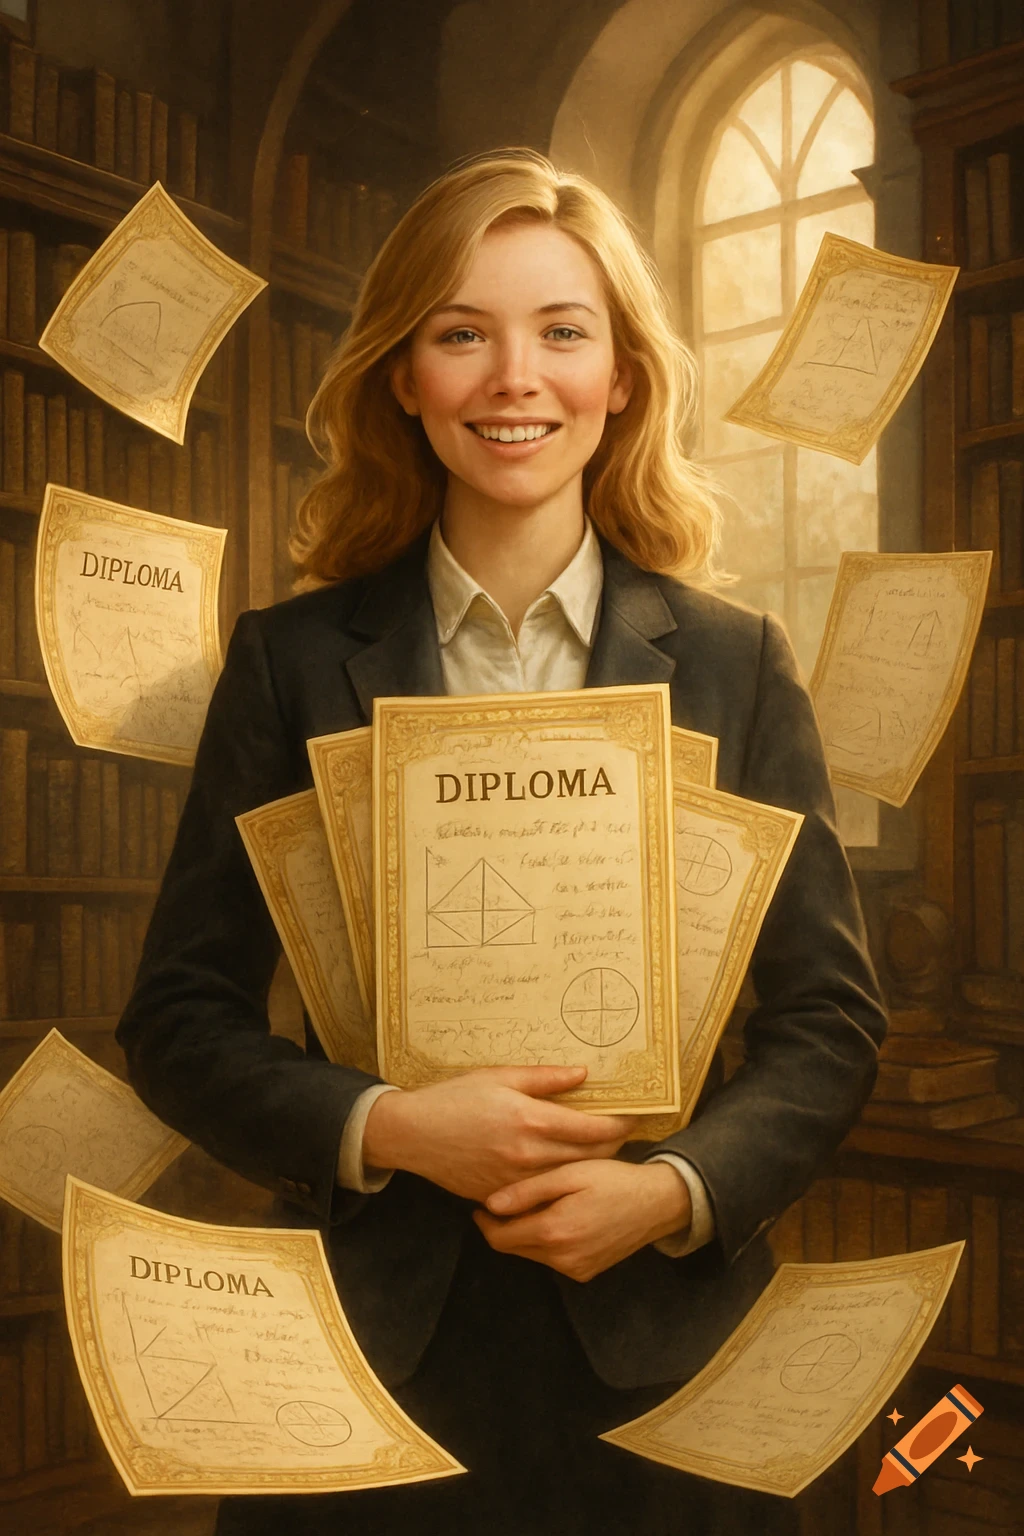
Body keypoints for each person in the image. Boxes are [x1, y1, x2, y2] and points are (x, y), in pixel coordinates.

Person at [117, 148, 887, 1535]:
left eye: (563, 332)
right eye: (462, 333)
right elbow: (178, 1019)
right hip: (370, 1356)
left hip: (667, 1361)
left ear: (624, 377)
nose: (514, 378)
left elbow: (828, 1019)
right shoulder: (291, 664)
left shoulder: (737, 664)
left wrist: (672, 1194)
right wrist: (391, 1127)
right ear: (404, 378)